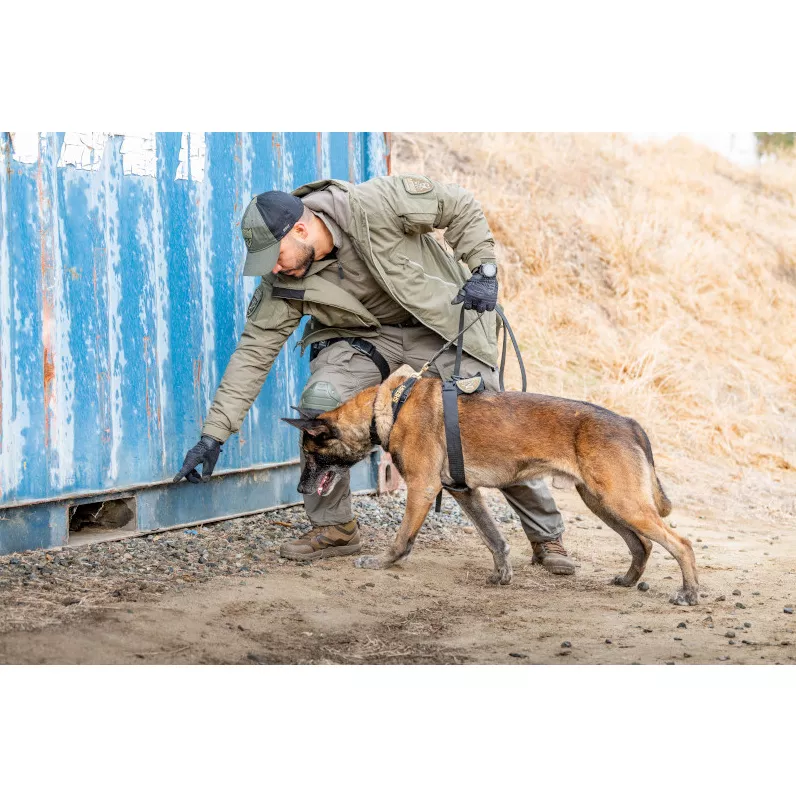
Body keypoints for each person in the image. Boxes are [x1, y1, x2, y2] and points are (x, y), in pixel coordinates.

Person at [174, 175, 575, 574]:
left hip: (438, 323)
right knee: (320, 407)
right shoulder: (282, 280)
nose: (274, 268)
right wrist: (214, 435)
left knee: (488, 419)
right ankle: (335, 528)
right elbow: (253, 353)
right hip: (364, 338)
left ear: (300, 228)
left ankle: (545, 536)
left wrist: (484, 268)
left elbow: (460, 205)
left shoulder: (375, 204)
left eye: (276, 256)